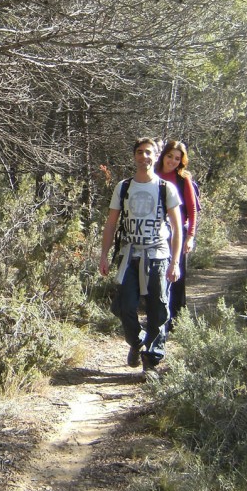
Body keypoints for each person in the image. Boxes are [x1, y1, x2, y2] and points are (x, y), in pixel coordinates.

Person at [99, 137, 183, 376]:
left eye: (148, 152)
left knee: (159, 308)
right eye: (139, 152)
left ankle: (151, 360)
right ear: (134, 156)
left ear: (156, 156)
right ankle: (136, 344)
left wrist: (175, 262)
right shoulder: (123, 187)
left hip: (158, 256)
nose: (144, 156)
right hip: (129, 255)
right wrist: (104, 255)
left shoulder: (165, 189)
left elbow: (177, 228)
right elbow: (111, 224)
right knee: (124, 306)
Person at [156, 139, 198, 329]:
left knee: (176, 274)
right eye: (170, 156)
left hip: (177, 233)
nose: (172, 161)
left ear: (181, 161)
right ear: (163, 155)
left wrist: (190, 236)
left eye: (177, 158)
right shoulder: (153, 175)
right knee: (156, 275)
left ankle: (176, 319)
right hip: (155, 232)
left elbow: (192, 209)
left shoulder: (183, 179)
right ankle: (157, 314)